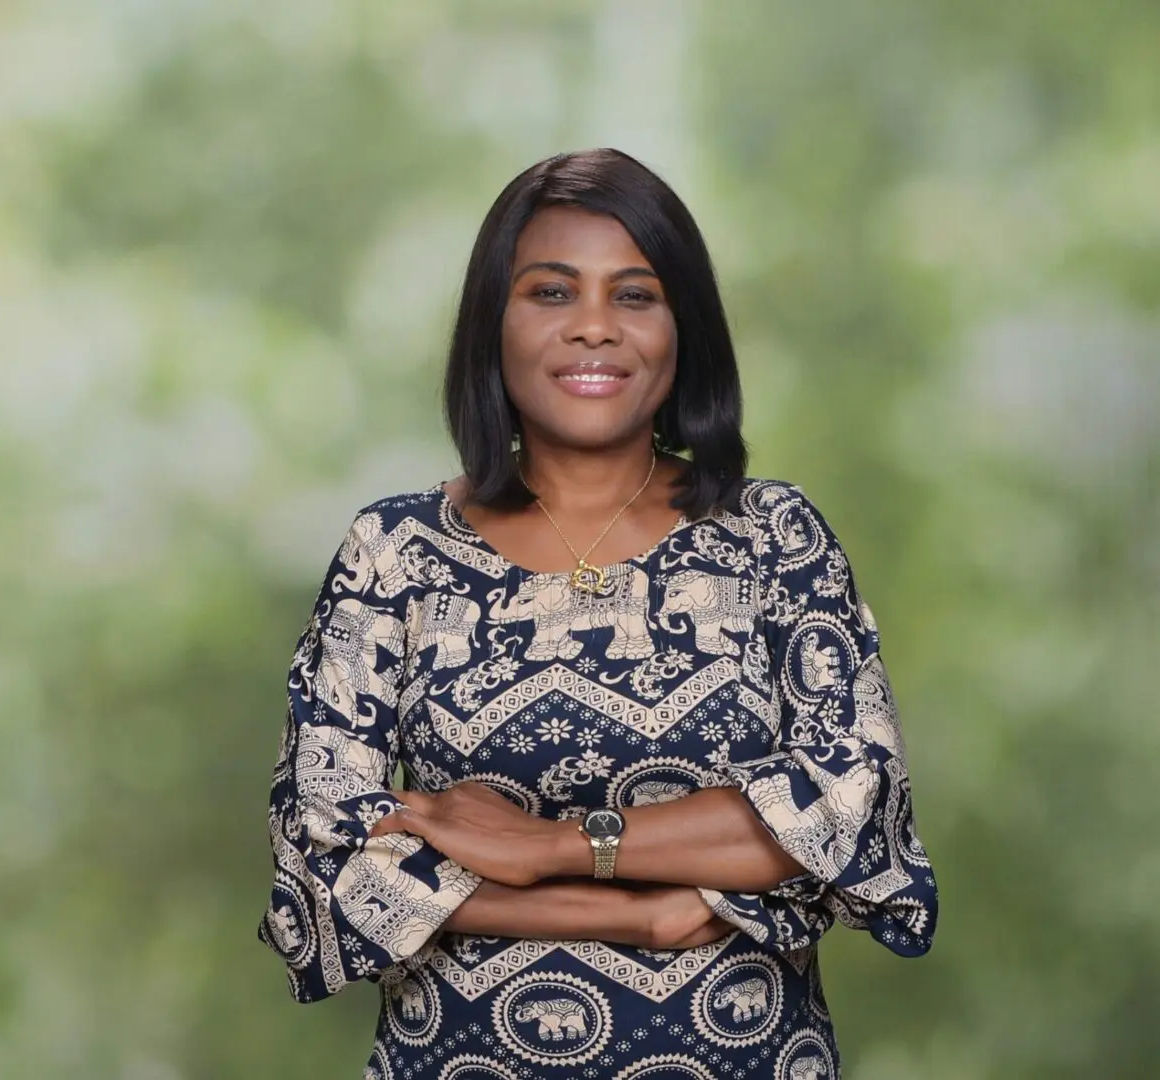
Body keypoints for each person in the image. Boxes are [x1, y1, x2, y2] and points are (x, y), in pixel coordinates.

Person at [260, 148, 938, 1080]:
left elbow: (850, 811)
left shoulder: (773, 538)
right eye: (550, 293)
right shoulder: (395, 554)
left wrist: (546, 848)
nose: (593, 330)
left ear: (682, 327)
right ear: (491, 324)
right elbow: (325, 854)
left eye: (634, 295)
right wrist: (644, 907)